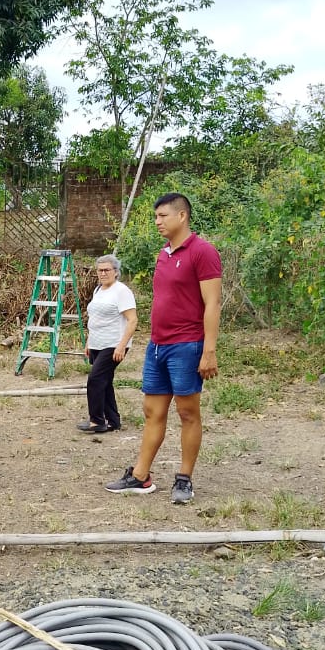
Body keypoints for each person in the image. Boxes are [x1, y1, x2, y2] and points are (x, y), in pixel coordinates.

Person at [106, 192, 221, 504]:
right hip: (158, 345)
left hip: (187, 345)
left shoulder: (203, 252)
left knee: (187, 412)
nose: (157, 221)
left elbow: (213, 304)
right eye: (155, 216)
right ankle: (140, 476)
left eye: (163, 216)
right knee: (152, 411)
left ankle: (184, 479)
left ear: (182, 216)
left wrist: (209, 350)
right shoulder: (164, 254)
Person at [77, 255, 137, 434]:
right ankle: (113, 421)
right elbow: (95, 318)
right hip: (97, 343)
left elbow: (132, 320)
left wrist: (122, 346)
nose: (103, 273)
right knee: (105, 381)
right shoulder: (98, 290)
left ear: (116, 272)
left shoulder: (122, 291)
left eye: (107, 270)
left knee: (95, 380)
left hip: (113, 344)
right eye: (100, 270)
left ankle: (97, 420)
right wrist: (89, 342)